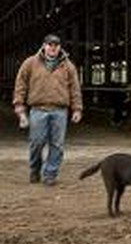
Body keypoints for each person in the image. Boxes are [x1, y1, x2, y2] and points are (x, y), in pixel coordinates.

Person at [12, 33, 83, 185]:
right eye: (50, 45)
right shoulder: (30, 63)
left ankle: (50, 174)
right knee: (36, 142)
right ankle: (35, 169)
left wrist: (77, 109)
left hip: (60, 111)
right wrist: (19, 105)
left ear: (60, 47)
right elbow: (21, 85)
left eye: (56, 45)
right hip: (38, 109)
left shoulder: (68, 66)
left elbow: (75, 89)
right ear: (44, 46)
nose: (53, 48)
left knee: (57, 144)